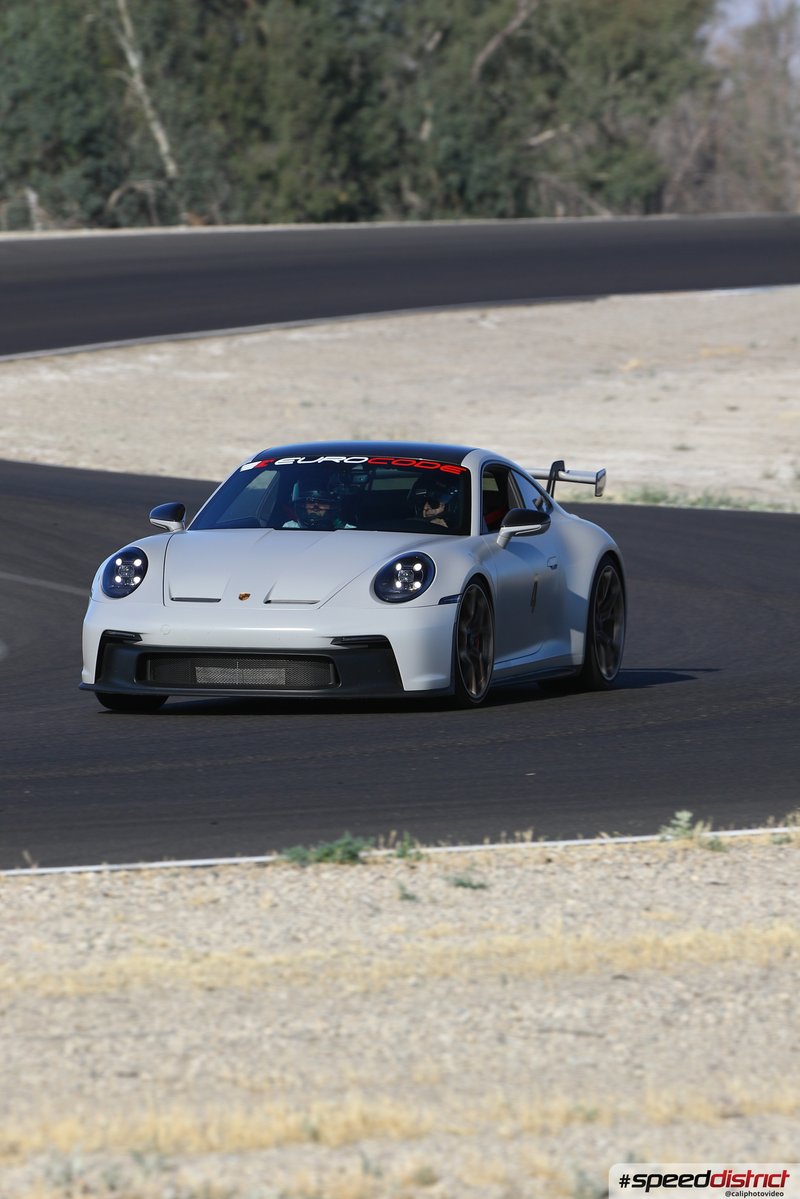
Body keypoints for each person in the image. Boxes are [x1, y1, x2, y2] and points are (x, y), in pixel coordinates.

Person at [282, 481, 353, 529]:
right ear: (302, 504)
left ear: (332, 506)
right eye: (310, 502)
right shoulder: (289, 528)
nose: (315, 507)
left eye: (322, 502)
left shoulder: (349, 532)